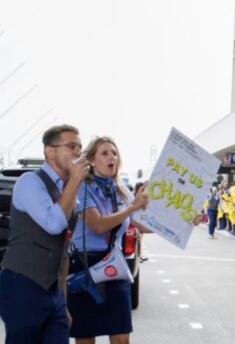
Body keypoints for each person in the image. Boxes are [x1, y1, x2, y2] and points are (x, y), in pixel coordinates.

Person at [0, 125, 88, 343]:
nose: (78, 153)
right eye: (71, 146)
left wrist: (63, 301)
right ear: (49, 151)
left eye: (79, 147)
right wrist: (75, 181)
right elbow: (53, 224)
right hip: (22, 284)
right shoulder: (30, 182)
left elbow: (63, 251)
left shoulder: (69, 194)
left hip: (53, 293)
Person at [67, 136, 149, 343]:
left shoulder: (120, 190)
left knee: (121, 336)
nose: (111, 157)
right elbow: (99, 225)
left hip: (115, 265)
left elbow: (143, 223)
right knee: (86, 337)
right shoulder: (82, 188)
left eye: (114, 153)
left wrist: (184, 221)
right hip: (86, 265)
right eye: (104, 153)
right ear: (92, 161)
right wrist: (131, 208)